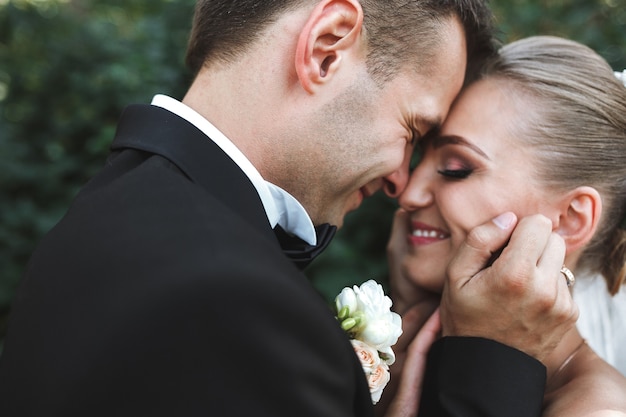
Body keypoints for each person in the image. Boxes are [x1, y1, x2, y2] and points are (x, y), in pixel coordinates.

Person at [0, 2, 577, 416]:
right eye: (413, 129)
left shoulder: (109, 212)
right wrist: (491, 366)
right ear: (327, 48)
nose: (402, 181)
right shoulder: (234, 302)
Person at [385, 35, 626, 415]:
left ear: (570, 220)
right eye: (419, 158)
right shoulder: (399, 352)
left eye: (456, 169)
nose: (409, 194)